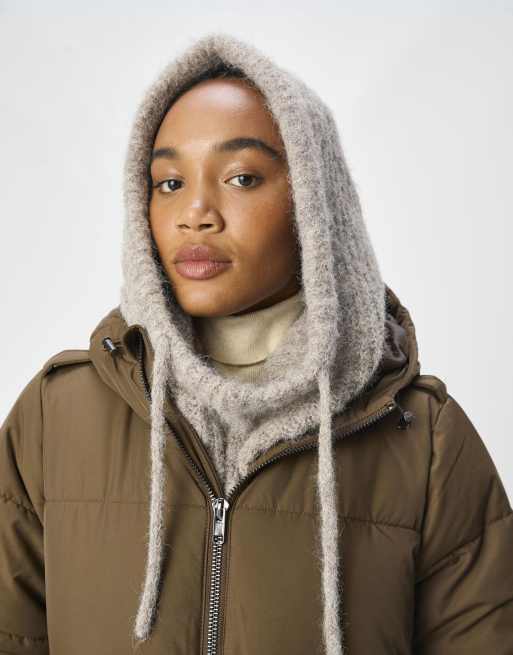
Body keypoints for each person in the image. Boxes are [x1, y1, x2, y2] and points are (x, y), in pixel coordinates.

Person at [1, 32, 512, 655]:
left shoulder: (424, 440)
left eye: (242, 178)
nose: (195, 213)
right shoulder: (55, 417)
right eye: (169, 183)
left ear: (316, 205)